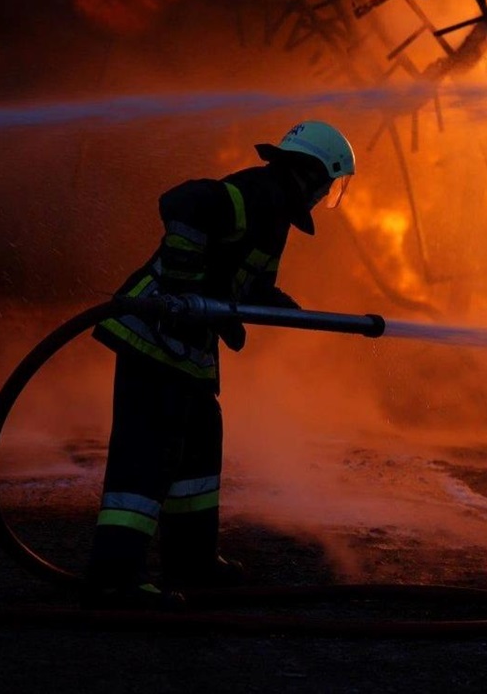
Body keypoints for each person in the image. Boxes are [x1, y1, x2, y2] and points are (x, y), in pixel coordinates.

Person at [83, 120, 355, 609]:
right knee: (147, 457)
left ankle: (192, 564)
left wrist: (285, 311)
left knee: (198, 451)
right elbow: (183, 203)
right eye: (328, 184)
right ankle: (114, 578)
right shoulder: (254, 192)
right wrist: (184, 287)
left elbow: (250, 284)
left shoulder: (274, 214)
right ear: (313, 173)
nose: (324, 196)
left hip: (187, 351)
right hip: (153, 337)